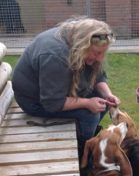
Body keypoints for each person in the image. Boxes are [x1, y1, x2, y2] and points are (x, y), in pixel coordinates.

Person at [12, 16, 120, 163]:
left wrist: (108, 94)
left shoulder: (77, 40)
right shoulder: (55, 55)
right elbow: (52, 103)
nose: (100, 58)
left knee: (103, 102)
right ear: (83, 45)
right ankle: (83, 153)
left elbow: (97, 77)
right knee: (90, 114)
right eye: (96, 53)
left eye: (102, 53)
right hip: (34, 101)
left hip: (53, 92)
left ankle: (86, 134)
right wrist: (87, 103)